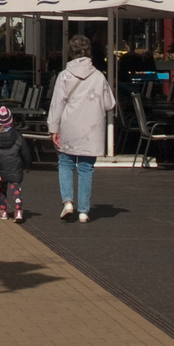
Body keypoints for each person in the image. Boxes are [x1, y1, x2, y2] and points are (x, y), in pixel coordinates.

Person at [47, 33, 116, 222]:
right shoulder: (98, 77)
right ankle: (84, 211)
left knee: (65, 163)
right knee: (86, 168)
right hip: (92, 129)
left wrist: (54, 128)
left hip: (69, 127)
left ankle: (68, 202)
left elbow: (57, 104)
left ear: (70, 53)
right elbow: (110, 103)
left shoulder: (64, 76)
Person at [0, 105, 29, 221]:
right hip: (15, 167)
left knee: (2, 190)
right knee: (16, 190)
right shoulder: (18, 136)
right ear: (11, 121)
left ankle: (3, 211)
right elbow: (25, 152)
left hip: (1, 169)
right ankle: (18, 211)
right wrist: (27, 165)